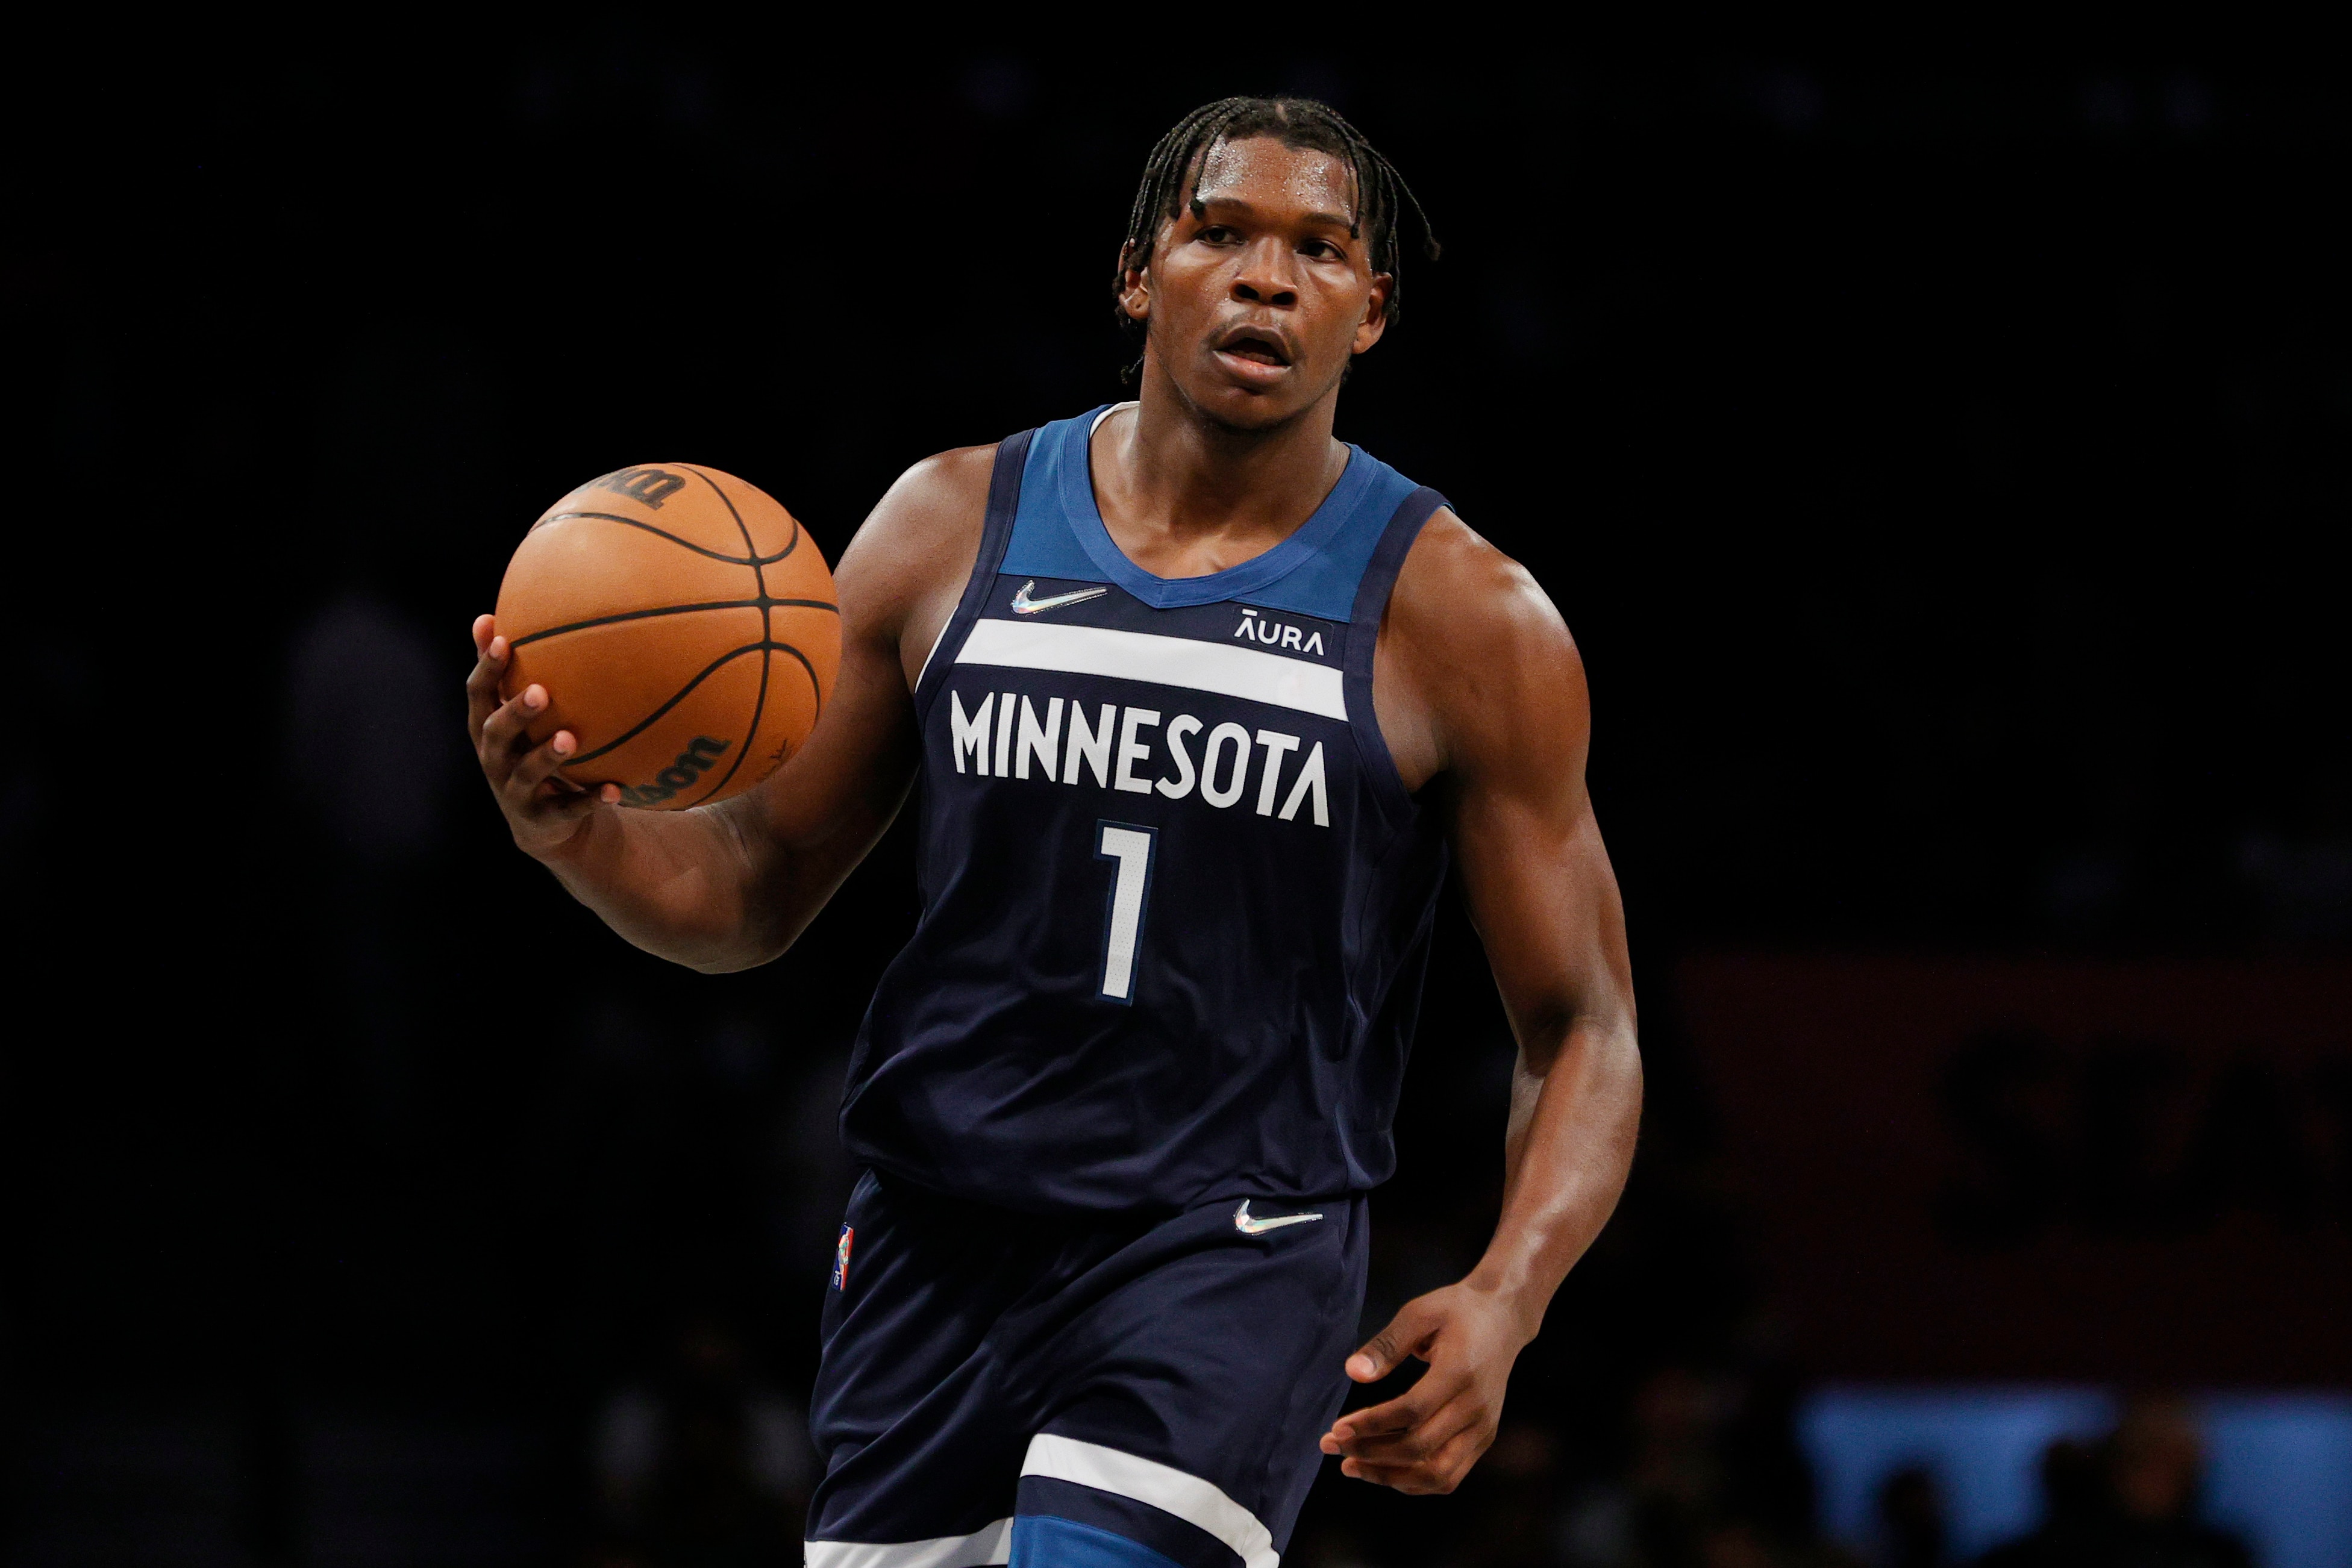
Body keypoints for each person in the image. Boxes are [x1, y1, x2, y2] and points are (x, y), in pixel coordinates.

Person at [468, 96, 1642, 1568]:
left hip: (1225, 1252)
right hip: (931, 1241)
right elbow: (753, 885)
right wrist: (576, 837)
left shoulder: (1464, 614)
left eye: (1319, 250)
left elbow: (1583, 1021)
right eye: (1220, 231)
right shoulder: (947, 522)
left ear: (1372, 311)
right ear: (1138, 275)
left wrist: (1507, 1295)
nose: (1266, 277)